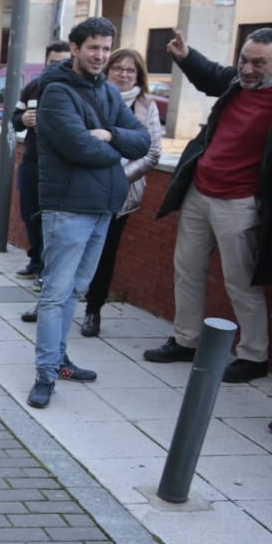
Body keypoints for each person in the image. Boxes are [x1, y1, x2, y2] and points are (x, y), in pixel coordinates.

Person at [27, 17, 152, 409]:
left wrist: (111, 135)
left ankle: (60, 360)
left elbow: (143, 140)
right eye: (93, 47)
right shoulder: (58, 92)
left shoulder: (109, 93)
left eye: (105, 48)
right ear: (76, 48)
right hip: (68, 208)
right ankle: (46, 373)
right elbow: (79, 148)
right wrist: (115, 146)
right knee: (55, 294)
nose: (100, 55)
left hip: (102, 208)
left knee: (75, 292)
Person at [142, 26, 272, 383]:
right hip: (199, 192)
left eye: (259, 63)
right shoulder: (236, 82)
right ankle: (186, 340)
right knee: (186, 269)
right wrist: (185, 54)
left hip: (241, 202)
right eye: (244, 60)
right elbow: (212, 76)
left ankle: (253, 355)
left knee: (240, 282)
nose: (247, 69)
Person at [79, 49, 164, 337]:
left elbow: (151, 154)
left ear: (139, 75)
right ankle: (51, 305)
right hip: (86, 188)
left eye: (131, 70)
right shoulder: (90, 96)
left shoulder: (146, 106)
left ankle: (93, 310)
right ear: (107, 70)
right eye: (118, 68)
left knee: (106, 253)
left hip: (122, 194)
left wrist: (117, 179)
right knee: (70, 248)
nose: (124, 74)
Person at [14, 41, 74, 281]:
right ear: (45, 63)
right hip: (32, 162)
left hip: (60, 167)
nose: (57, 66)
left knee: (54, 220)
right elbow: (13, 119)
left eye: (63, 62)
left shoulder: (74, 90)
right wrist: (23, 119)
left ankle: (49, 270)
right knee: (29, 213)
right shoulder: (33, 88)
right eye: (53, 62)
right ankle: (35, 261)